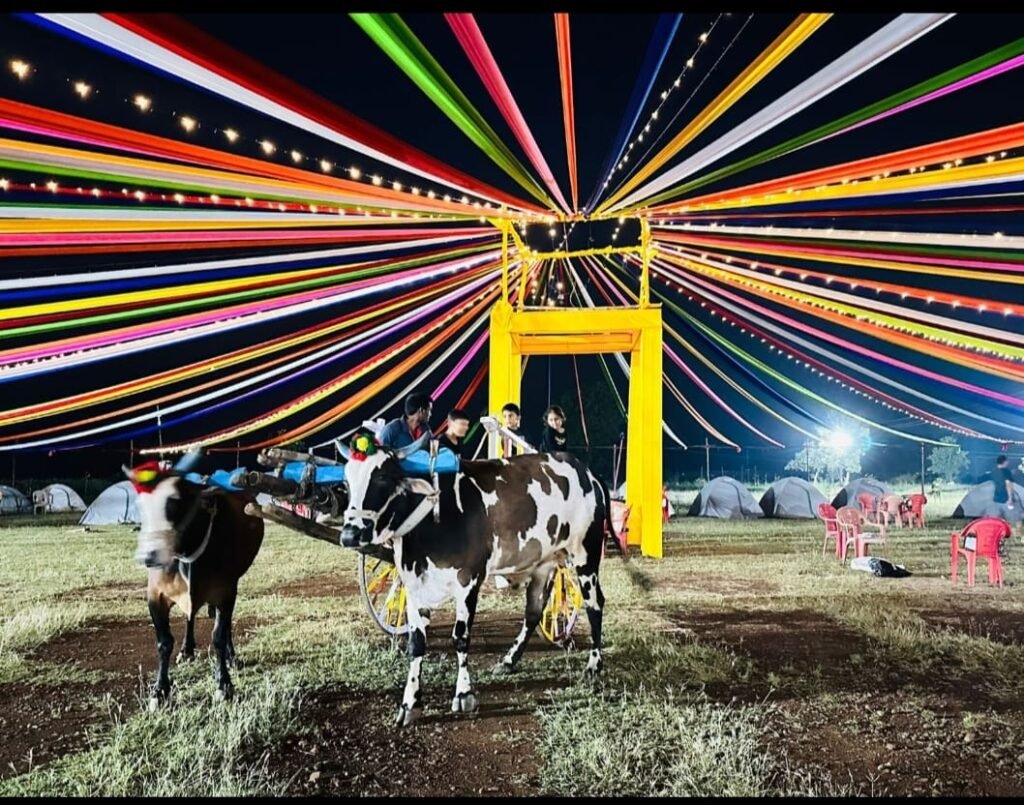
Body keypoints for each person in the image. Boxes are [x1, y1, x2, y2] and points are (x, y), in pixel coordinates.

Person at [992, 455, 1022, 536]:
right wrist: (1010, 498)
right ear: (1004, 462)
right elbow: (1008, 484)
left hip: (996, 499)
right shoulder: (1005, 471)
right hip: (1006, 500)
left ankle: (998, 535)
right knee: (1012, 520)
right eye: (1007, 461)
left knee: (998, 521)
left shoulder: (994, 471)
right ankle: (1013, 536)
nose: (1008, 463)